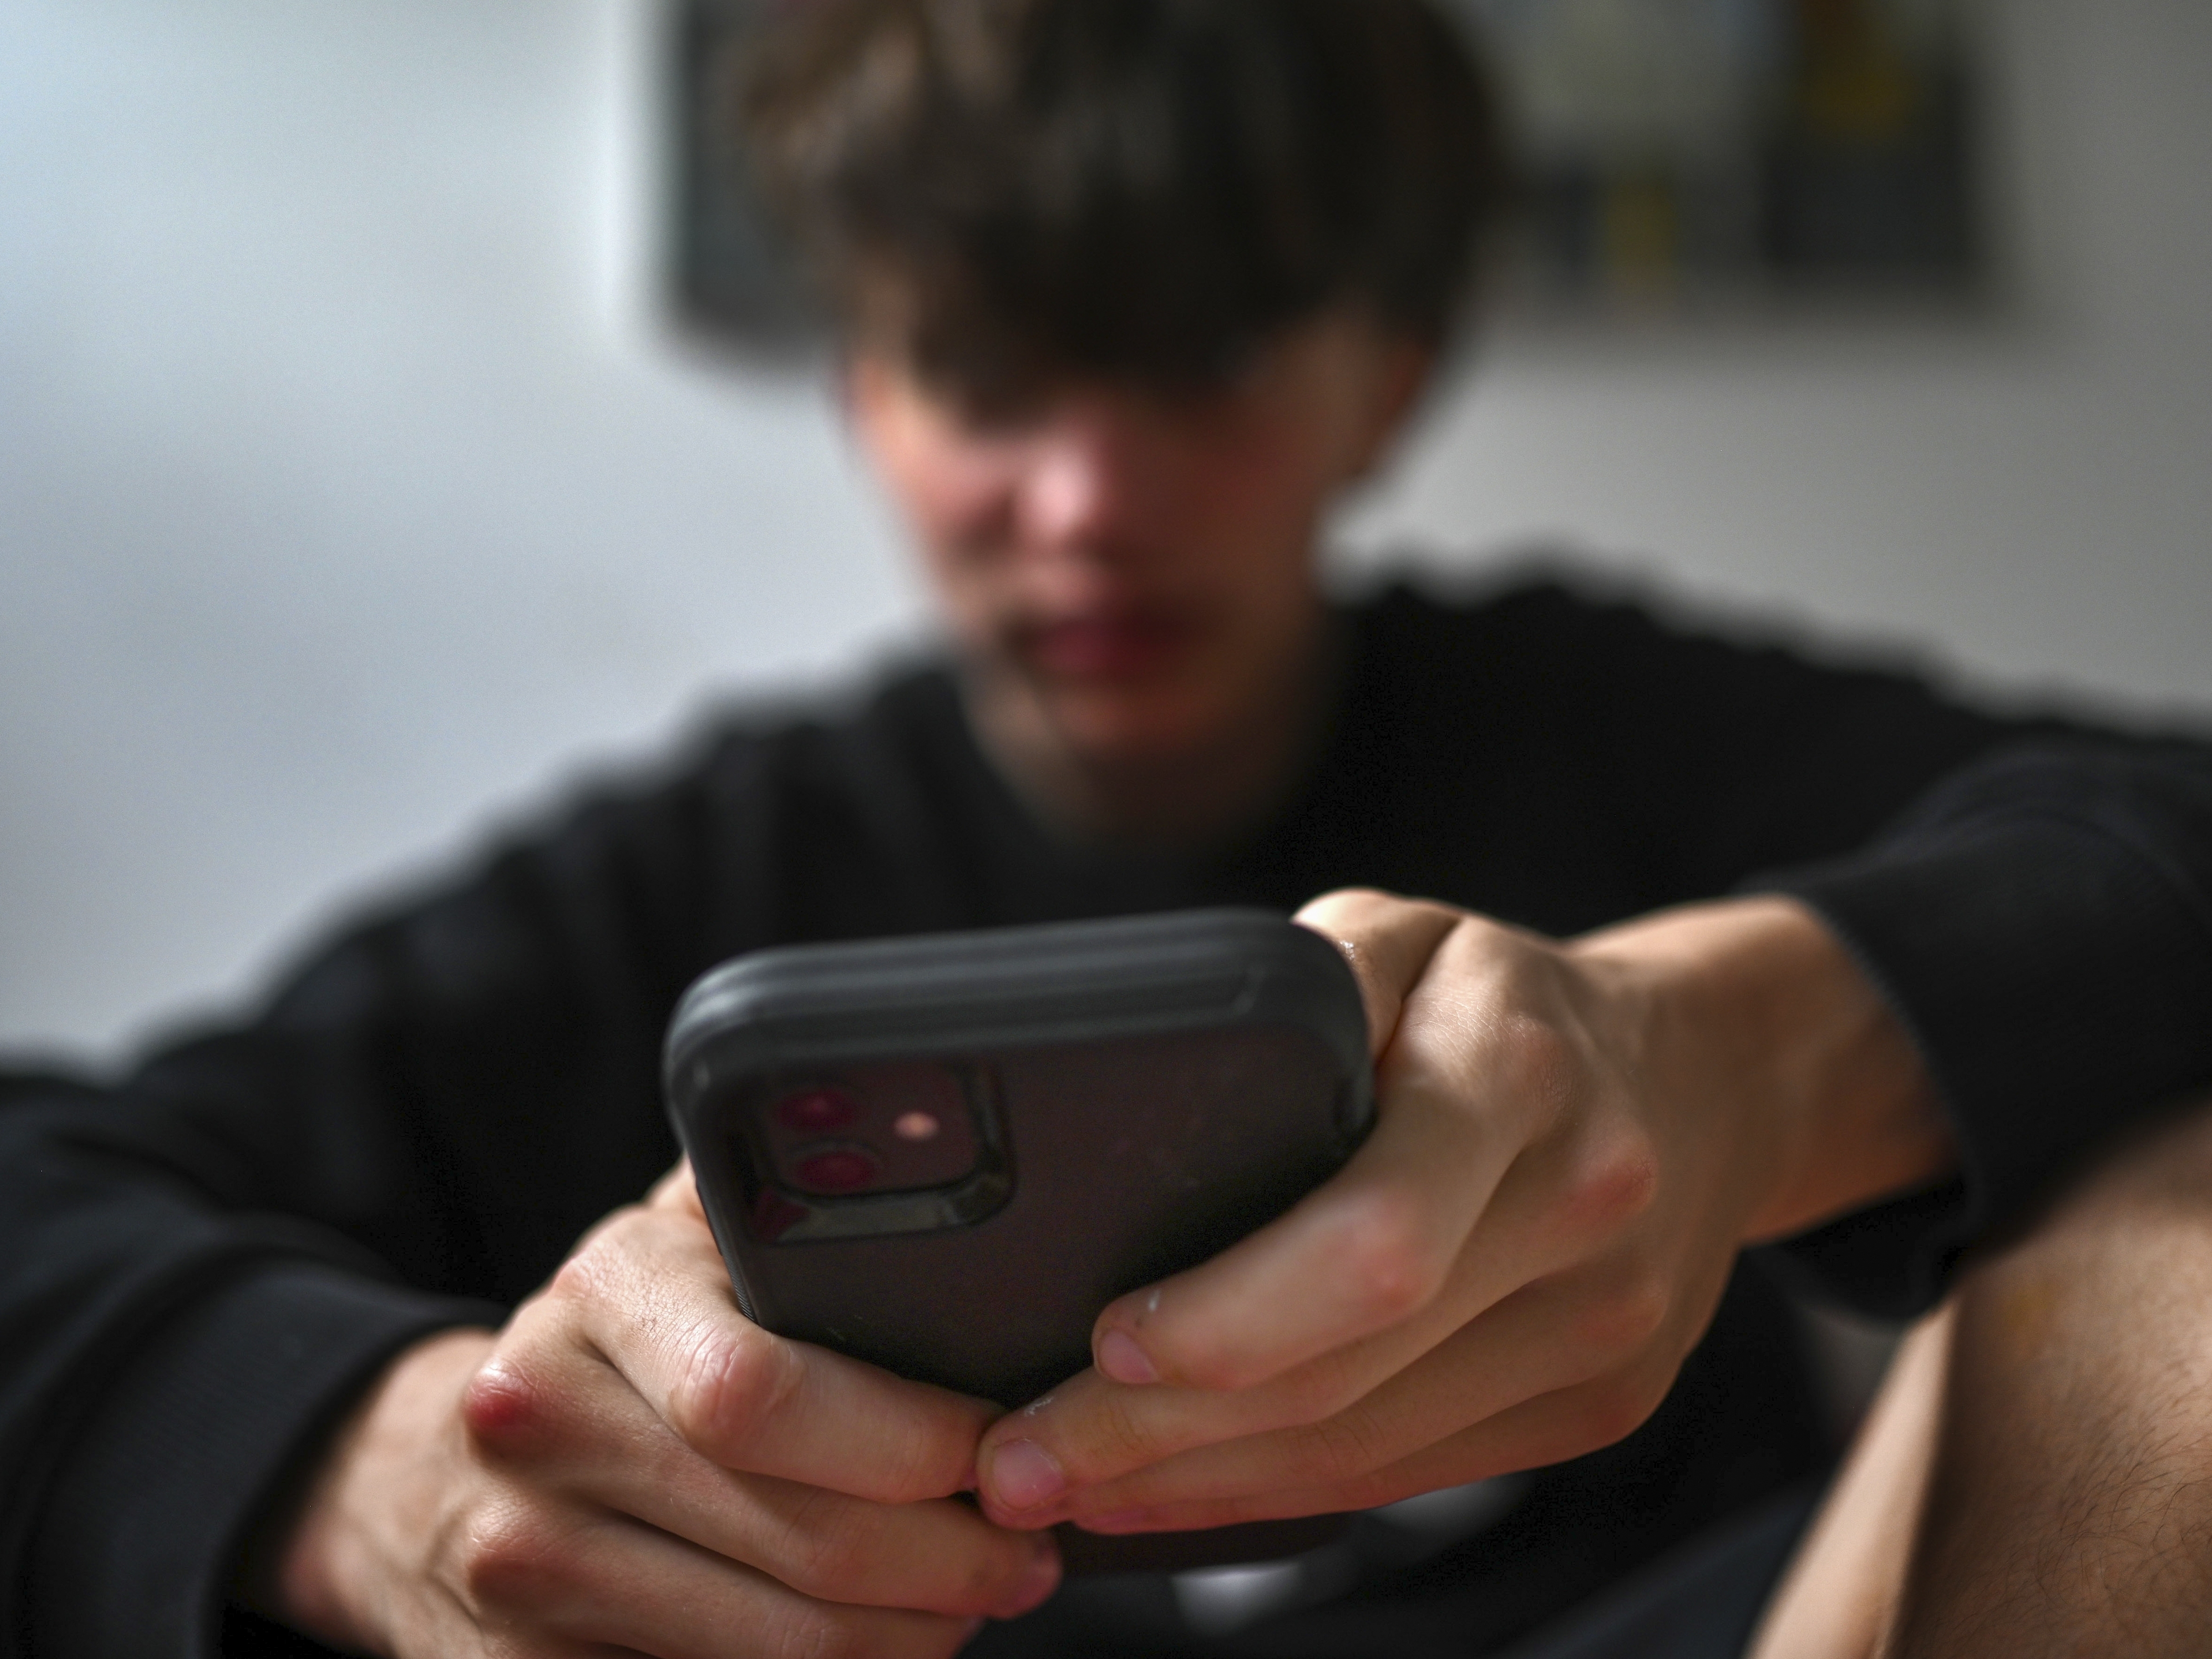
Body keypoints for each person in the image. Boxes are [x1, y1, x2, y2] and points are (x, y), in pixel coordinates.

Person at [4, 1, 2210, 1655]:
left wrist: (1737, 1065)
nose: (1088, 505)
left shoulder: (1586, 720)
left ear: (1391, 377)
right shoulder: (707, 871)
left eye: (1211, 363)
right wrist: (365, 1474)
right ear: (863, 388)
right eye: (983, 375)